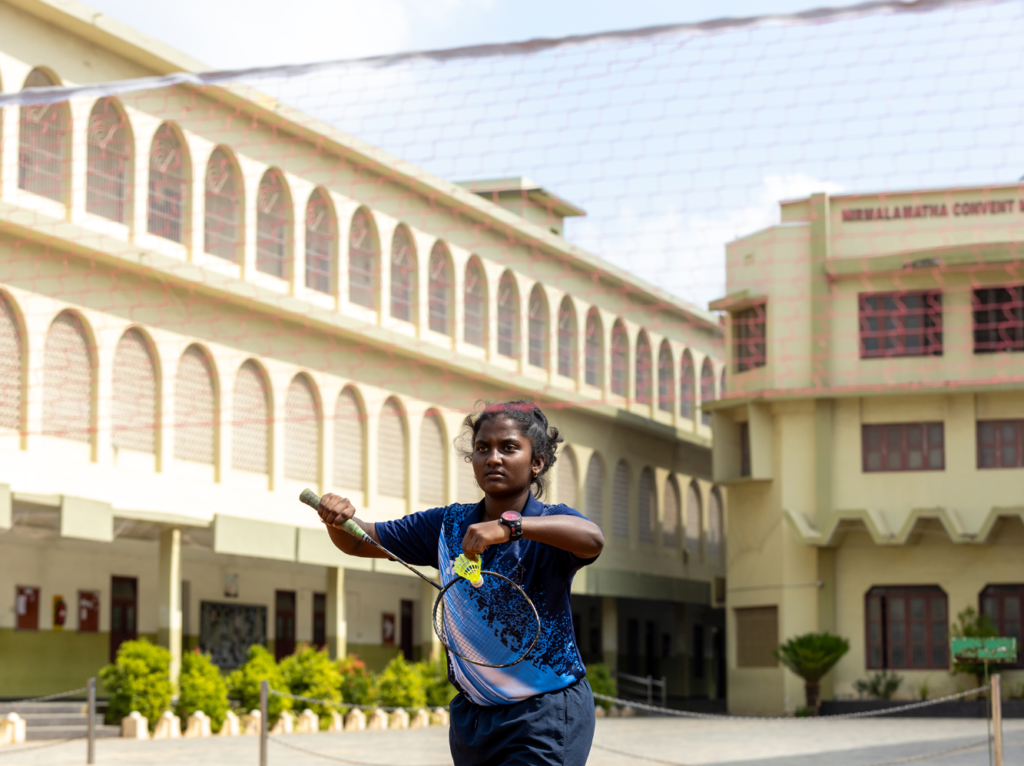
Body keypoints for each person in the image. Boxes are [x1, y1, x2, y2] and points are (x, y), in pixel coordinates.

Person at [316, 400, 605, 766]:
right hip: (474, 718)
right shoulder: (448, 526)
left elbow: (592, 539)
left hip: (544, 712)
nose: (493, 458)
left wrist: (510, 527)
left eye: (509, 447)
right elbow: (361, 541)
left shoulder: (551, 524)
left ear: (537, 463)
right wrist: (336, 520)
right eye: (483, 448)